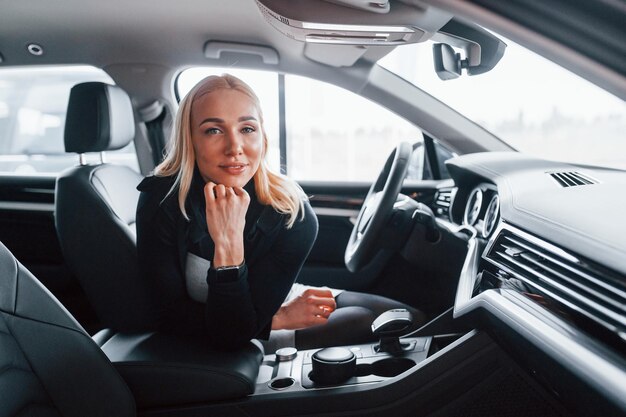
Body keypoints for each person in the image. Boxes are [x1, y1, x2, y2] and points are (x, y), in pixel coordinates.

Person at [136, 74, 424, 351]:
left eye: (247, 129)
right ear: (191, 139)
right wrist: (276, 316)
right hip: (235, 329)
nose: (235, 147)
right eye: (214, 130)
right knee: (363, 321)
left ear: (262, 135)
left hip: (270, 300)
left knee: (409, 318)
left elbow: (265, 293)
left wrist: (273, 310)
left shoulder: (290, 213)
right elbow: (172, 319)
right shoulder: (162, 200)